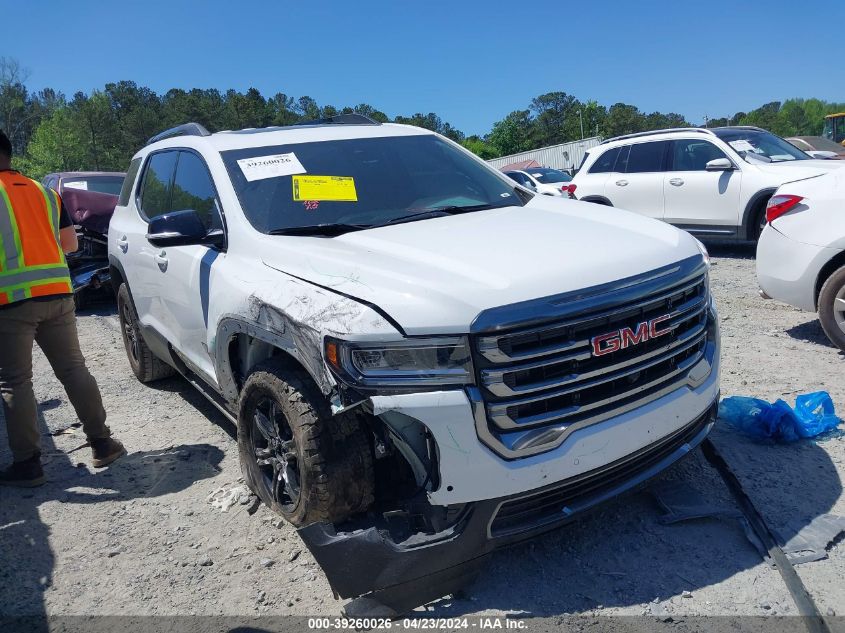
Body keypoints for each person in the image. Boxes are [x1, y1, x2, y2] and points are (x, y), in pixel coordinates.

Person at [0, 130, 125, 487]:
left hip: (10, 302)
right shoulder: (45, 193)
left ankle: (28, 465)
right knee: (73, 369)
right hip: (58, 294)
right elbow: (69, 245)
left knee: (15, 381)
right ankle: (102, 443)